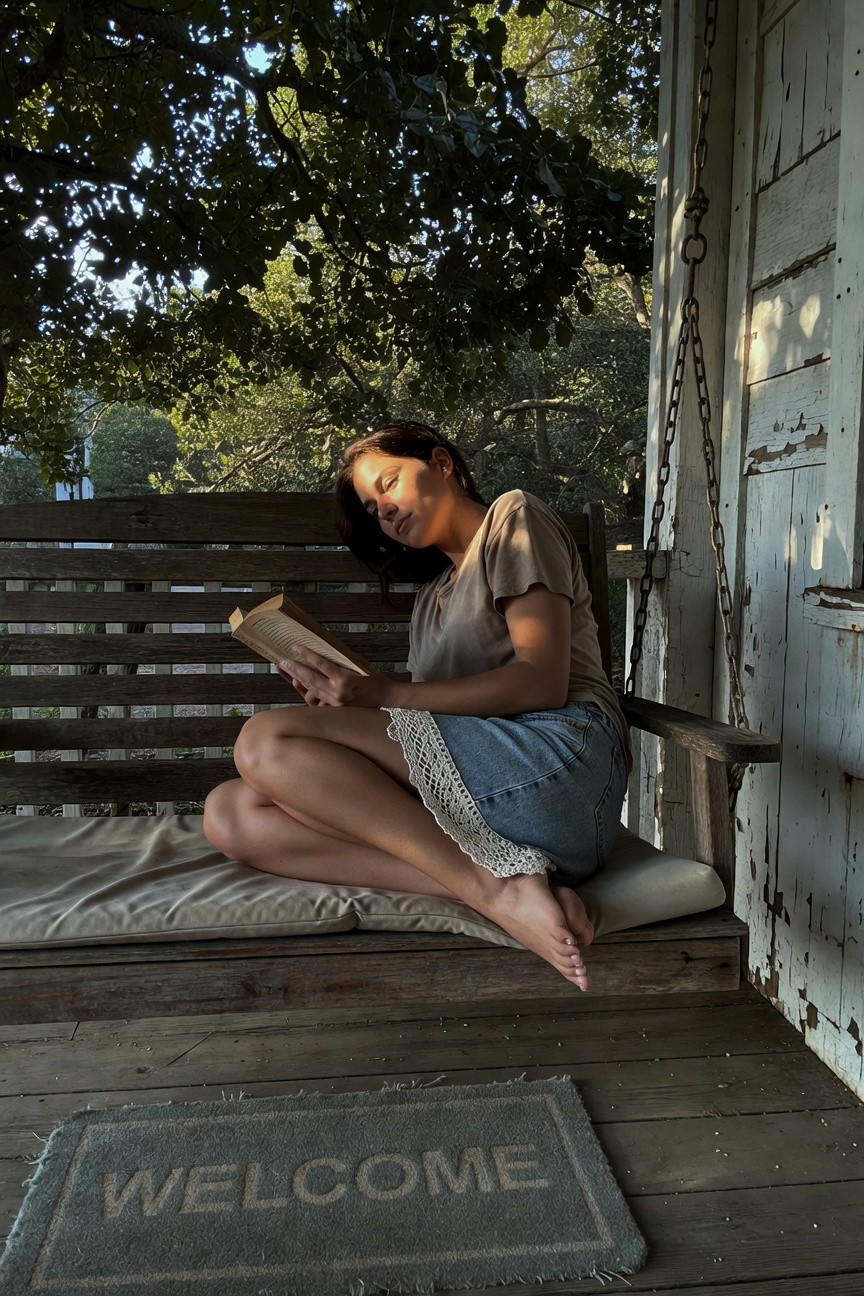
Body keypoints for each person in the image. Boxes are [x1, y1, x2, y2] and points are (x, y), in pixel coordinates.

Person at [202, 422, 630, 990]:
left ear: (442, 464)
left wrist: (381, 696)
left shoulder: (513, 518)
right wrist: (343, 704)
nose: (385, 511)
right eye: (373, 509)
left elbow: (542, 683)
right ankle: (511, 886)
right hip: (487, 797)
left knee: (265, 739)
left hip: (559, 765)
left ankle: (491, 891)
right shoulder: (431, 600)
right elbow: (427, 725)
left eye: (390, 483)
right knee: (230, 814)